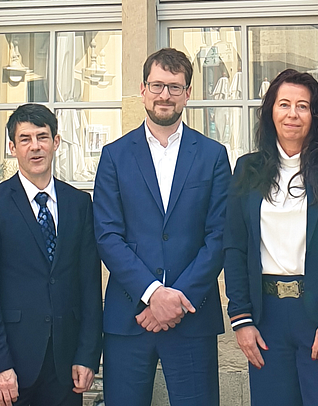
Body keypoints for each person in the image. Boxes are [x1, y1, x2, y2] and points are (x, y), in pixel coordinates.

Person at [223, 69, 318, 405]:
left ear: (315, 116)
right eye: (284, 104)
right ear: (270, 112)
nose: (293, 114)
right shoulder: (247, 170)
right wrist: (240, 319)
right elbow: (233, 247)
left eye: (303, 106)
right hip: (266, 319)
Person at [93, 48, 231, 406]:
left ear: (187, 94)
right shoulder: (115, 155)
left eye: (174, 87)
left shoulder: (214, 155)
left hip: (192, 315)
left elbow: (219, 235)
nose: (164, 95)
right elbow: (107, 235)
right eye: (157, 85)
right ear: (142, 89)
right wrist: (153, 294)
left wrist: (176, 300)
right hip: (130, 316)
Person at [0, 103, 103, 406]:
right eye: (25, 139)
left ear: (56, 142)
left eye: (42, 137)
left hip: (65, 367)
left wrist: (88, 355)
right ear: (13, 148)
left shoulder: (79, 205)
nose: (35, 147)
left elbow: (90, 287)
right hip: (11, 367)